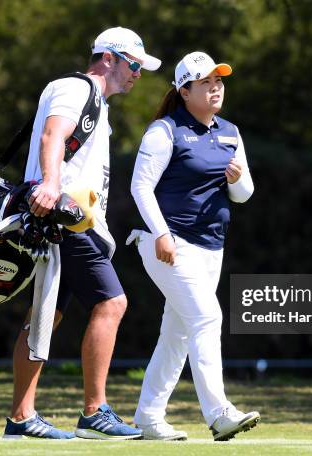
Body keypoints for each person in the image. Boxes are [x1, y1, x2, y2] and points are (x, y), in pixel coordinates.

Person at [2, 27, 161, 440]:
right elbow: (53, 133)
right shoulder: (75, 88)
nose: (137, 74)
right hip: (66, 219)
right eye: (133, 64)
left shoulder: (98, 103)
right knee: (113, 303)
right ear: (108, 58)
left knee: (44, 319)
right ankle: (94, 412)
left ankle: (20, 419)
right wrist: (51, 184)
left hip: (66, 220)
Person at [128, 51, 259, 441]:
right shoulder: (164, 131)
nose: (216, 88)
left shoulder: (231, 133)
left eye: (219, 81)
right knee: (207, 318)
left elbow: (244, 194)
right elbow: (140, 187)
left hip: (210, 246)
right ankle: (219, 414)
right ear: (184, 91)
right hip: (164, 242)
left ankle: (148, 417)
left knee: (178, 333)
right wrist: (162, 234)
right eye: (206, 83)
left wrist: (235, 179)